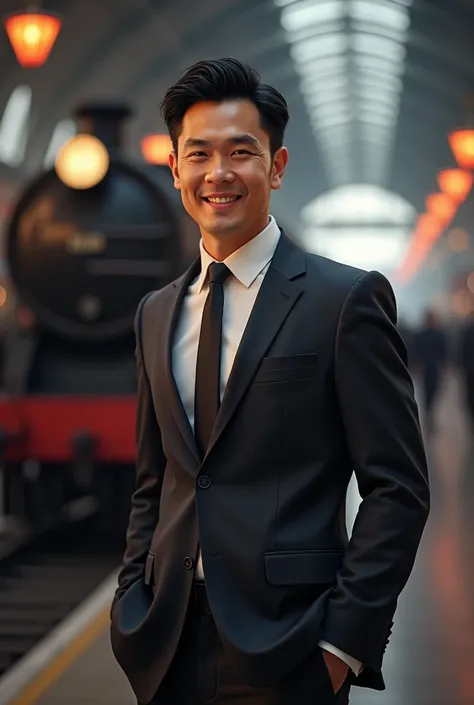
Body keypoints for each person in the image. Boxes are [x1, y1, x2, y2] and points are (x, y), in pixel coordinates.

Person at [110, 58, 430, 705]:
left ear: (276, 167)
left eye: (241, 152)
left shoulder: (345, 301)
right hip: (164, 645)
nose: (218, 173)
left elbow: (398, 489)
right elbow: (157, 480)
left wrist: (342, 646)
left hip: (292, 654)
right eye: (198, 153)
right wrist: (130, 601)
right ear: (175, 169)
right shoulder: (155, 313)